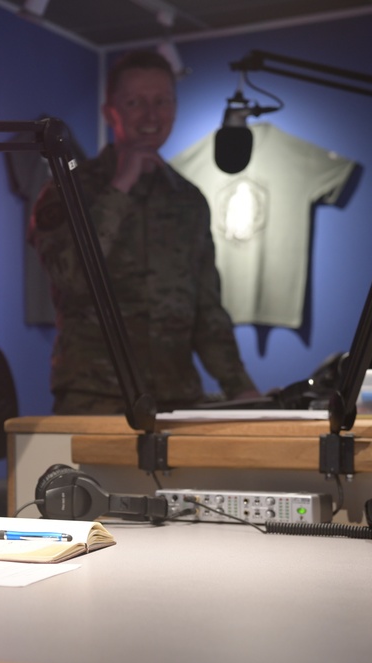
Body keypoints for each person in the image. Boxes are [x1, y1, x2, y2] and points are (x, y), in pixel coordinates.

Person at [28, 50, 259, 415]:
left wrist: (242, 389)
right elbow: (70, 274)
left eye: (162, 101)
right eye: (135, 102)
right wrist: (120, 187)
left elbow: (206, 309)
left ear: (175, 108)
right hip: (97, 397)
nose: (151, 115)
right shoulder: (68, 188)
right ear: (111, 112)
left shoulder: (190, 199)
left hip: (176, 398)